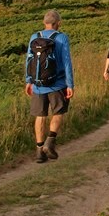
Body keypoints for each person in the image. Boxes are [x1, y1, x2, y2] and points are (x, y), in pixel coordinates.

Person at [24, 9, 74, 164]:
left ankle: (39, 151)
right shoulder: (62, 38)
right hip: (57, 83)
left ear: (44, 22)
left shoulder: (34, 37)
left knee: (40, 116)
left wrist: (28, 81)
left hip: (38, 85)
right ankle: (50, 142)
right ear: (58, 23)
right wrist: (70, 84)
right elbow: (66, 62)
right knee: (58, 112)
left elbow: (29, 60)